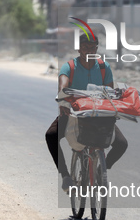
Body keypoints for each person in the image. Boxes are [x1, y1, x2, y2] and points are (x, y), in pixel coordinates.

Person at [45, 33, 128, 191]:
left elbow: (109, 92)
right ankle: (65, 176)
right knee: (51, 136)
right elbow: (62, 86)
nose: (89, 50)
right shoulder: (69, 67)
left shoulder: (104, 67)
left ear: (96, 48)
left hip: (98, 114)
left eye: (92, 47)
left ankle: (100, 171)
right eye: (85, 47)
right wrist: (63, 99)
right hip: (74, 114)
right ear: (79, 49)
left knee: (122, 144)